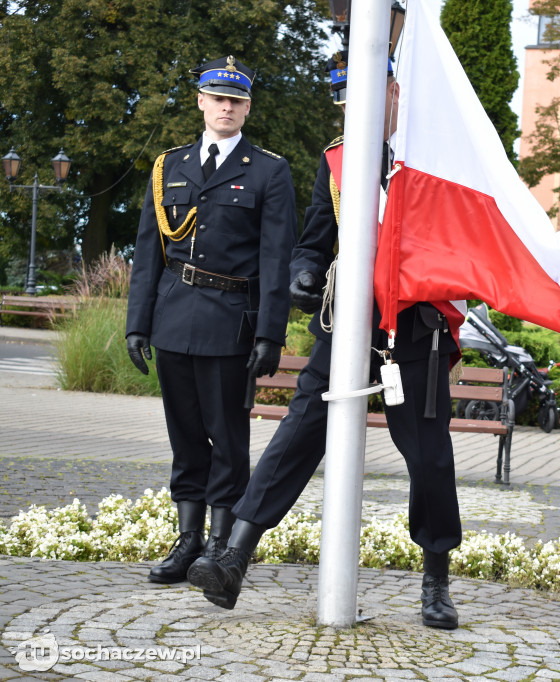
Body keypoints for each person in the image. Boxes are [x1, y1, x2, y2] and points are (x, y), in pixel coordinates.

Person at [186, 64, 464, 630]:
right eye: (344, 102)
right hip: (347, 326)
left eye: (362, 97)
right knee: (296, 434)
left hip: (415, 330)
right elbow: (316, 238)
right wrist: (305, 273)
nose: (351, 111)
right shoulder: (337, 160)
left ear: (393, 93)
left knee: (429, 457)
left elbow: (467, 240)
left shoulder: (437, 159)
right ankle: (236, 555)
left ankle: (436, 581)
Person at [125, 56, 297, 585]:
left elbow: (277, 259)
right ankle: (187, 541)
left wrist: (270, 333)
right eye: (218, 97)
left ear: (247, 108)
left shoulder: (268, 170)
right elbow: (149, 252)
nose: (226, 106)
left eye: (237, 100)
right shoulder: (169, 167)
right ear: (201, 101)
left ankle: (220, 549)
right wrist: (138, 323)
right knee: (184, 437)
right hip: (175, 318)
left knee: (227, 438)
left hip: (230, 323)